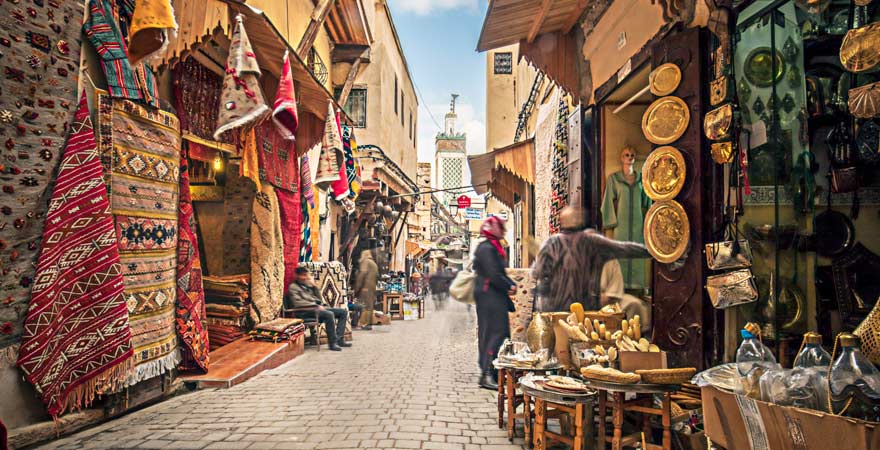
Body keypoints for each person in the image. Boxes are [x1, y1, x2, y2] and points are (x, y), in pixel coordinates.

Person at [532, 206, 651, 312]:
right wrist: (651, 251)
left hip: (555, 309)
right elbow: (624, 248)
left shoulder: (551, 243)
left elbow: (536, 272)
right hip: (584, 310)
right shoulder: (592, 241)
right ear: (579, 221)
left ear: (561, 222)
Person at [473, 216, 516, 390]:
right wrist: (508, 285)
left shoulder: (492, 247)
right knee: (494, 333)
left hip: (493, 295)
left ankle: (492, 370)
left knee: (500, 332)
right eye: (500, 227)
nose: (503, 230)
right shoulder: (487, 248)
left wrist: (510, 284)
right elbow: (493, 273)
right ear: (492, 228)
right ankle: (486, 373)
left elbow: (499, 272)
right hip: (489, 296)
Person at [285, 266, 351, 351]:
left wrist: (314, 287)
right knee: (329, 314)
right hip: (304, 311)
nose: (305, 277)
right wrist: (315, 306)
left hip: (316, 309)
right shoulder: (293, 287)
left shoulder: (307, 286)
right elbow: (297, 303)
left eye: (306, 275)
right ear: (297, 276)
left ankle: (339, 339)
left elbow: (319, 299)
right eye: (303, 275)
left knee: (342, 312)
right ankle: (332, 343)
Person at [600, 260, 652, 337]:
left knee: (635, 304)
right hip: (587, 299)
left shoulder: (611, 261)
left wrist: (607, 296)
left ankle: (631, 337)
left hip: (611, 300)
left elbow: (613, 293)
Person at [354, 249, 378, 330]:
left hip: (365, 287)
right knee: (370, 305)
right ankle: (369, 323)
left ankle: (363, 323)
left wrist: (357, 287)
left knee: (365, 305)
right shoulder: (373, 263)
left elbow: (362, 274)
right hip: (372, 286)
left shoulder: (365, 262)